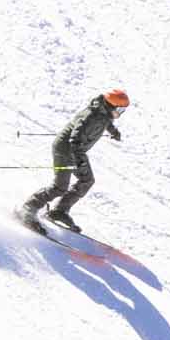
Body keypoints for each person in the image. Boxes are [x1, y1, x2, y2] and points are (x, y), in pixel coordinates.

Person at [21, 87, 130, 235]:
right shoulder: (90, 116)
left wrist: (113, 131)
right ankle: (28, 208)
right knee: (60, 187)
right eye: (120, 110)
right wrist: (78, 159)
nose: (120, 113)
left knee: (87, 180)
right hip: (65, 150)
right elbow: (75, 138)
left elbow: (107, 121)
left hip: (77, 153)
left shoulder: (104, 112)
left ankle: (59, 211)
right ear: (111, 105)